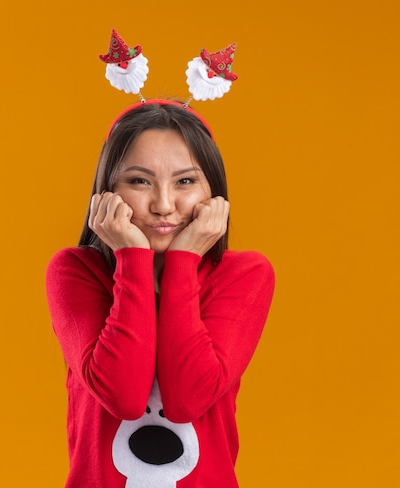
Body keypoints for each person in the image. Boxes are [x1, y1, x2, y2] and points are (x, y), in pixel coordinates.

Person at [45, 100, 275, 487]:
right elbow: (123, 396)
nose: (164, 205)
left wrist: (184, 261)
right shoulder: (75, 272)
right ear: (107, 192)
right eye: (139, 181)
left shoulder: (244, 275)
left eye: (185, 181)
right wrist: (132, 259)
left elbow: (187, 400)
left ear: (214, 192)